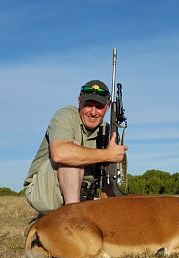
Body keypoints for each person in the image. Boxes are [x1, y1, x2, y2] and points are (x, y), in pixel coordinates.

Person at [23, 80, 128, 214]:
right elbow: (60, 153)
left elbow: (109, 180)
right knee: (72, 156)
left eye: (99, 106)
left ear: (107, 107)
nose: (93, 112)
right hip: (44, 191)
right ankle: (73, 219)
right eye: (88, 105)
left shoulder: (109, 131)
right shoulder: (65, 115)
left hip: (85, 195)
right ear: (79, 101)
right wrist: (107, 154)